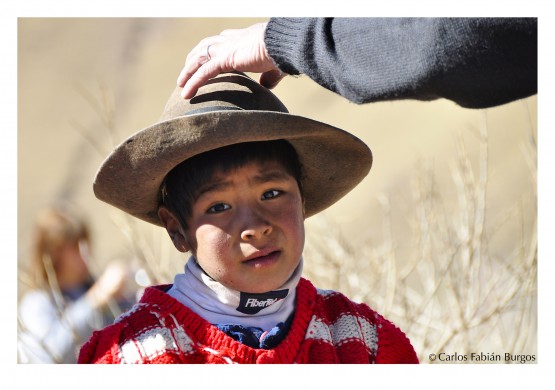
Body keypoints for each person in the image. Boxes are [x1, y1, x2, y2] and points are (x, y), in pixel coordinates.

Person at [77, 72, 418, 364]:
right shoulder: (133, 356)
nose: (255, 227)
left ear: (302, 201)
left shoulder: (363, 342)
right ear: (177, 229)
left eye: (271, 194)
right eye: (218, 207)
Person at [178, 18, 537, 108]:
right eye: (218, 206)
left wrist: (289, 38)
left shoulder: (340, 303)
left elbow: (456, 37)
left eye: (271, 193)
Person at [18, 206, 131, 363]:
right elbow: (47, 355)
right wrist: (96, 299)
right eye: (75, 248)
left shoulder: (88, 287)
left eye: (85, 244)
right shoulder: (36, 303)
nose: (85, 253)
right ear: (53, 254)